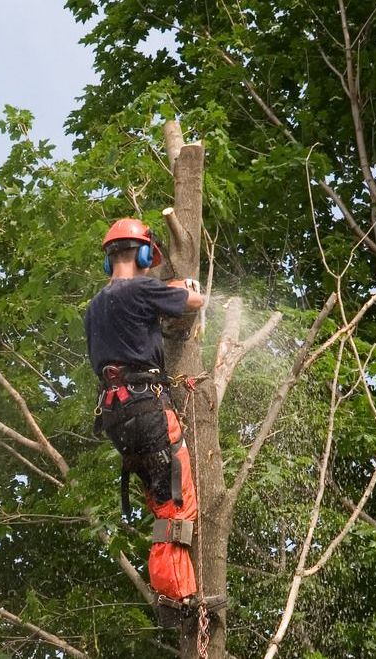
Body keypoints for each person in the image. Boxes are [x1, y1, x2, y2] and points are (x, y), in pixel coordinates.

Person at [84, 217, 222, 627]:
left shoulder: (95, 307)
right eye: (150, 260)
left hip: (115, 415)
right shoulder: (143, 289)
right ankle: (179, 599)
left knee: (162, 498)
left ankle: (171, 592)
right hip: (146, 407)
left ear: (110, 260)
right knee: (178, 502)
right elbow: (193, 303)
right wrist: (188, 289)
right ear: (144, 255)